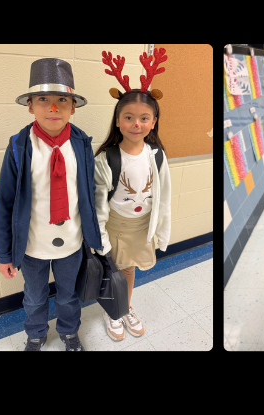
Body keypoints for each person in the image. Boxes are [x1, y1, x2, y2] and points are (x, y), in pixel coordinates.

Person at [0, 58, 103, 351]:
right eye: (43, 99)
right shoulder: (19, 146)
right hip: (31, 246)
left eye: (62, 100)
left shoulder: (81, 144)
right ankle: (36, 333)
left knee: (68, 294)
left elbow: (90, 194)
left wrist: (97, 236)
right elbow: (5, 202)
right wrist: (3, 253)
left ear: (73, 106)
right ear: (30, 105)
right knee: (34, 295)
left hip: (72, 241)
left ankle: (69, 332)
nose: (53, 108)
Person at [93, 48, 172, 341]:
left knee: (129, 270)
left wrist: (161, 231)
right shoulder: (106, 159)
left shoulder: (158, 156)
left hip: (142, 226)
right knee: (114, 270)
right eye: (128, 117)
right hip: (115, 227)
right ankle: (112, 311)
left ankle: (124, 307)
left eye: (144, 118)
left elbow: (164, 198)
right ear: (117, 120)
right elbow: (99, 202)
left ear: (153, 122)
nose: (136, 124)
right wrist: (100, 237)